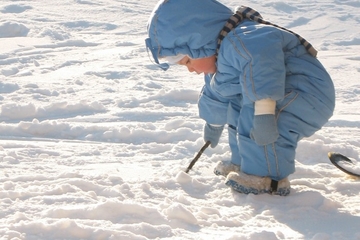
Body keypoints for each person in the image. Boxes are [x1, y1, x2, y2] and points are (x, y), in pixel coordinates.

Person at [145, 0, 335, 196]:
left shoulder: (245, 39)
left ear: (201, 43)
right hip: (277, 94)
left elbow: (264, 68)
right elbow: (217, 92)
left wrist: (264, 111)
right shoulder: (221, 54)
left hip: (305, 92)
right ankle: (244, 164)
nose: (190, 69)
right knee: (237, 107)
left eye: (188, 61)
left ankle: (267, 178)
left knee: (258, 122)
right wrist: (213, 124)